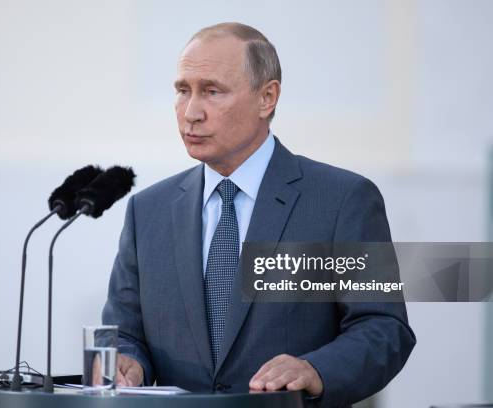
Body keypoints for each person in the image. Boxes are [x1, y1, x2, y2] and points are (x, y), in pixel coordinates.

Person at [101, 22, 416, 407]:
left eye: (212, 91)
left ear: (267, 97)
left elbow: (384, 328)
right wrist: (127, 361)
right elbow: (123, 332)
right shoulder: (147, 210)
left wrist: (315, 370)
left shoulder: (342, 200)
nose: (191, 112)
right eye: (183, 91)